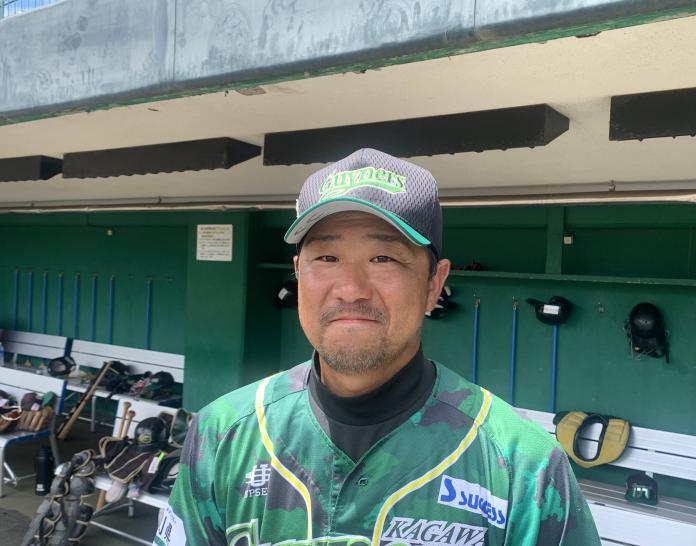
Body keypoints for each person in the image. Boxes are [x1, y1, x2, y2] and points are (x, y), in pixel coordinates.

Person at [155, 148, 601, 546]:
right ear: (298, 273)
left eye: (383, 258)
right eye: (326, 258)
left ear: (434, 283)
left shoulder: (521, 464)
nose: (350, 288)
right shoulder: (223, 433)